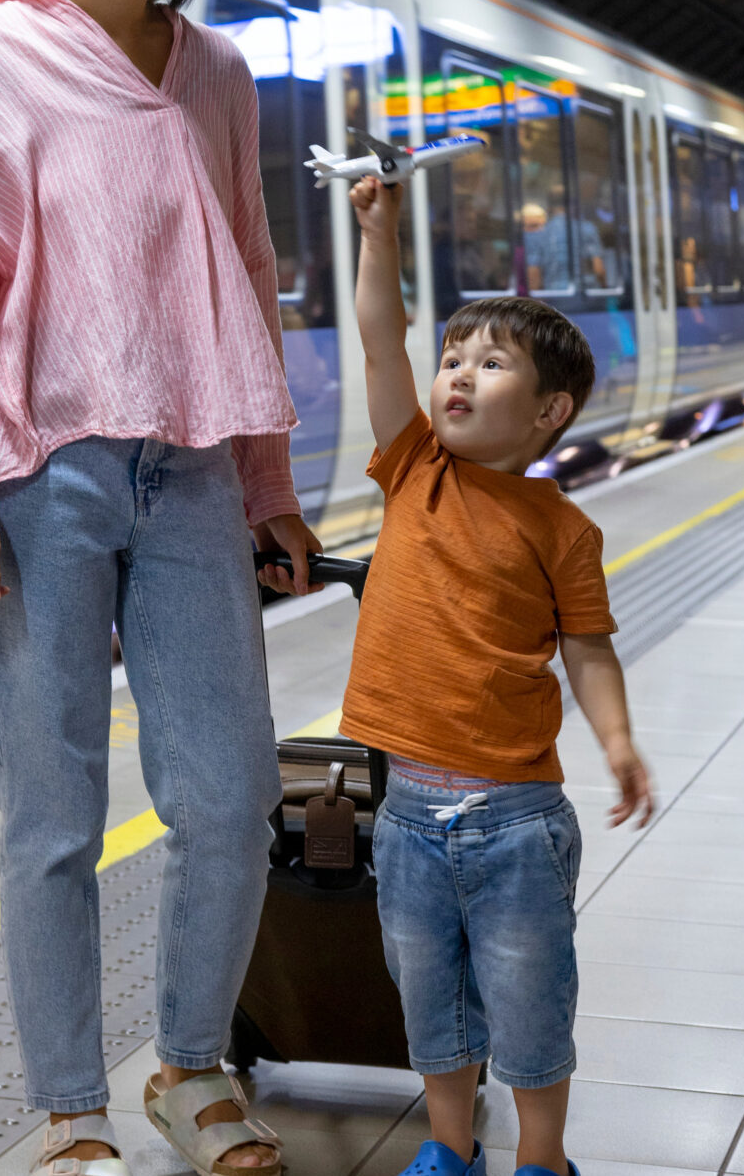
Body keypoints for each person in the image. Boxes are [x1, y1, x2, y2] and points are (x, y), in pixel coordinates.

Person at [0, 0, 317, 1176]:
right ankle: (71, 1106)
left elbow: (245, 275)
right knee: (52, 809)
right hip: (41, 473)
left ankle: (189, 1065)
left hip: (193, 468)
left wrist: (267, 482)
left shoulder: (215, 72)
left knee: (227, 792)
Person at [269, 172, 653, 1176]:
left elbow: (589, 645)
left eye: (491, 362)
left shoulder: (564, 527)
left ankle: (542, 1158)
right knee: (428, 1002)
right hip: (404, 814)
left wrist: (614, 738)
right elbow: (376, 336)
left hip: (518, 819)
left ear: (550, 410)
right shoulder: (412, 466)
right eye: (454, 356)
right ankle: (450, 1151)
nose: (457, 372)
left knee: (529, 1000)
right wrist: (380, 232)